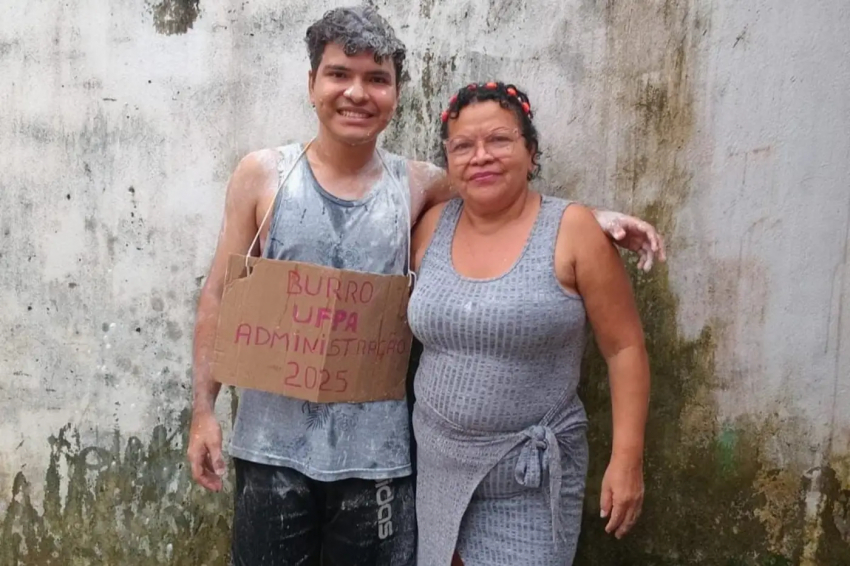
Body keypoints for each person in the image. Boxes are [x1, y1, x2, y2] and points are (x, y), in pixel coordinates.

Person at [187, 7, 662, 566]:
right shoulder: (263, 176)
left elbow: (500, 198)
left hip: (378, 463)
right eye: (339, 74)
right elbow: (221, 294)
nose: (357, 93)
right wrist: (203, 411)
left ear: (394, 94)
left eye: (377, 79)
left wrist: (595, 217)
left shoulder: (416, 186)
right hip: (270, 448)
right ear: (312, 83)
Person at [408, 81, 651, 566]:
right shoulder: (431, 225)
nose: (481, 156)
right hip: (438, 468)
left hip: (528, 480)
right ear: (449, 162)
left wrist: (627, 458)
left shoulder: (574, 231)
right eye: (463, 146)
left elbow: (624, 348)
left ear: (530, 152)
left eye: (499, 140)